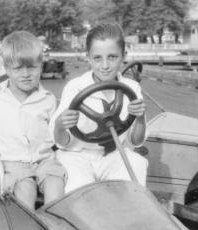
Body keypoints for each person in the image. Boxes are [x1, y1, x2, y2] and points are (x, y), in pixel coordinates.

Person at [0, 31, 65, 209]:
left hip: (43, 161)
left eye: (32, 67)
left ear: (41, 67)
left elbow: (56, 135)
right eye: (18, 68)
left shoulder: (48, 99)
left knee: (56, 189)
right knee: (26, 191)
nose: (26, 74)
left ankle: (51, 229)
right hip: (10, 163)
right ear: (6, 68)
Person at [51, 23, 147, 193]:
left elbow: (137, 141)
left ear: (123, 56)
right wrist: (60, 125)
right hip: (77, 156)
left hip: (114, 155)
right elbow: (61, 141)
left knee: (137, 165)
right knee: (80, 190)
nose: (105, 65)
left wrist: (139, 117)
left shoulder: (132, 88)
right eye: (97, 58)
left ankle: (128, 214)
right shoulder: (75, 87)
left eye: (112, 57)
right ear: (88, 57)